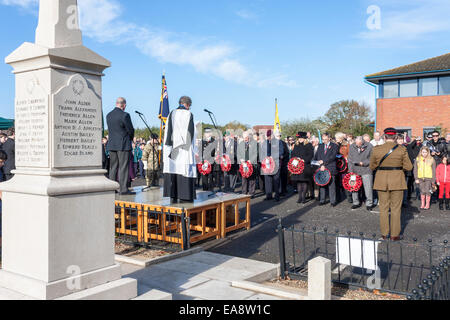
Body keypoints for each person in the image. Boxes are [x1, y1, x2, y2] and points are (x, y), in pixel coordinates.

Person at [370, 128, 413, 241]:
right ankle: (394, 235)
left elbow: (372, 166)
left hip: (381, 180)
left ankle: (384, 234)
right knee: (396, 209)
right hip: (397, 181)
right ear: (394, 138)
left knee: (383, 208)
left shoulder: (376, 149)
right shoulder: (401, 149)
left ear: (384, 137)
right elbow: (409, 167)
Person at [163, 96, 197, 203]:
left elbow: (168, 132)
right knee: (184, 169)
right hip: (184, 148)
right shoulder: (188, 114)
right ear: (187, 105)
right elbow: (191, 132)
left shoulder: (171, 113)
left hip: (172, 147)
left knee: (174, 169)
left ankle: (173, 195)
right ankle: (185, 196)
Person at [106, 98, 135, 195]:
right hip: (123, 144)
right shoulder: (125, 115)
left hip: (112, 144)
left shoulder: (108, 115)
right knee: (123, 167)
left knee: (113, 167)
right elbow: (130, 130)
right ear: (123, 105)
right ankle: (123, 189)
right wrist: (130, 138)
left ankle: (111, 189)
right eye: (125, 105)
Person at [348, 136, 374, 211]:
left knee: (368, 188)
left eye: (359, 144)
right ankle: (355, 202)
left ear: (362, 142)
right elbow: (349, 159)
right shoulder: (352, 146)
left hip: (366, 169)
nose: (358, 145)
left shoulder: (369, 146)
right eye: (356, 144)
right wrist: (350, 171)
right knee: (354, 186)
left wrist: (364, 163)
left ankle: (369, 203)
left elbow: (372, 158)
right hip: (354, 170)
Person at [314, 132, 339, 207]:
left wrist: (324, 163)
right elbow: (317, 156)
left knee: (331, 185)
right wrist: (321, 164)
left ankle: (333, 201)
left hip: (330, 167)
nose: (324, 141)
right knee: (322, 184)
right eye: (323, 139)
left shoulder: (334, 146)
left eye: (325, 139)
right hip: (321, 168)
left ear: (329, 138)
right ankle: (322, 200)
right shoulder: (320, 146)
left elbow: (333, 157)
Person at [290, 132, 314, 204]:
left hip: (305, 166)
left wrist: (304, 160)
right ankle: (300, 196)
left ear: (304, 138)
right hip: (297, 166)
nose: (300, 139)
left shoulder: (309, 145)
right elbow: (293, 154)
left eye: (301, 138)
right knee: (298, 182)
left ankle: (303, 197)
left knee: (304, 181)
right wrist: (294, 160)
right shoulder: (296, 145)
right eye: (299, 138)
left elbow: (311, 155)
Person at [261, 130, 284, 202]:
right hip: (267, 164)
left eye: (269, 136)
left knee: (276, 180)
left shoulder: (278, 142)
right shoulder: (265, 142)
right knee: (267, 180)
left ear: (272, 135)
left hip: (276, 163)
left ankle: (277, 195)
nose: (268, 138)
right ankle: (269, 195)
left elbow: (281, 152)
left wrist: (272, 157)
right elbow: (262, 152)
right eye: (267, 137)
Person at [238, 131, 258, 196]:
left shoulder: (254, 143)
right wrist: (241, 159)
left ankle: (252, 193)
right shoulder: (241, 143)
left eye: (246, 137)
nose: (245, 139)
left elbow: (256, 153)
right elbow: (238, 153)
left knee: (252, 179)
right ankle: (244, 192)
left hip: (252, 164)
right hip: (243, 164)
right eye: (244, 137)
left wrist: (251, 160)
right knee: (244, 178)